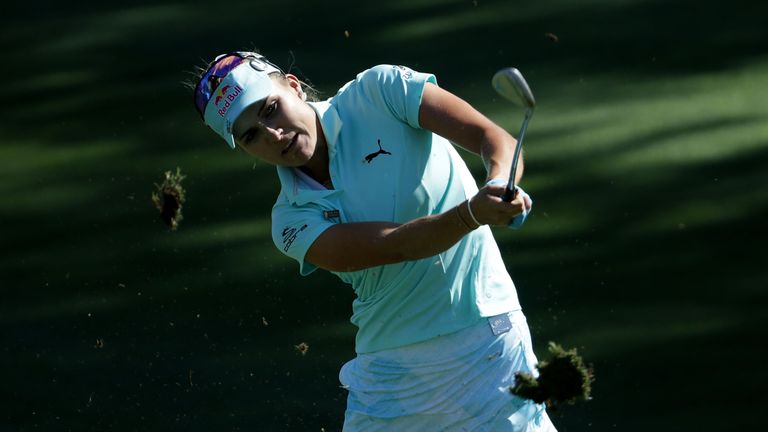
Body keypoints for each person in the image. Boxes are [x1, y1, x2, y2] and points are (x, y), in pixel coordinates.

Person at [192, 51, 556, 431]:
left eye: (269, 109)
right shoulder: (291, 221)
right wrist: (473, 214)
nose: (272, 134)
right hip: (390, 375)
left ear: (294, 87)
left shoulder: (380, 91)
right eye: (250, 135)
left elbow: (492, 137)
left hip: (486, 342)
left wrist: (499, 180)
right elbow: (396, 245)